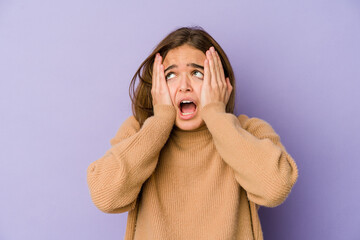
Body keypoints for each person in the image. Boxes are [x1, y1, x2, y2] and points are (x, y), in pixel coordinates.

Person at [86, 26, 299, 240]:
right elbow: (106, 197)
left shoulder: (248, 131)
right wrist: (159, 121)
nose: (184, 86)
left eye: (197, 73)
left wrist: (216, 114)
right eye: (170, 76)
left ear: (221, 84)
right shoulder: (138, 132)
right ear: (157, 86)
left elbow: (275, 188)